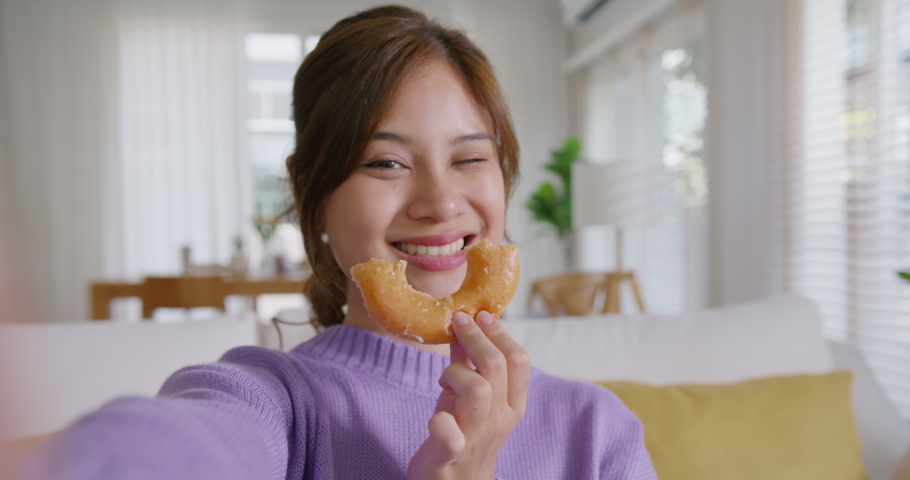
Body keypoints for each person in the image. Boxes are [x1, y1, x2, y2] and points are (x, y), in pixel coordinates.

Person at [14, 5, 656, 479]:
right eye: (385, 163)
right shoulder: (273, 400)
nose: (439, 202)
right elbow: (176, 448)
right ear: (313, 192)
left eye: (469, 159)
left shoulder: (596, 435)